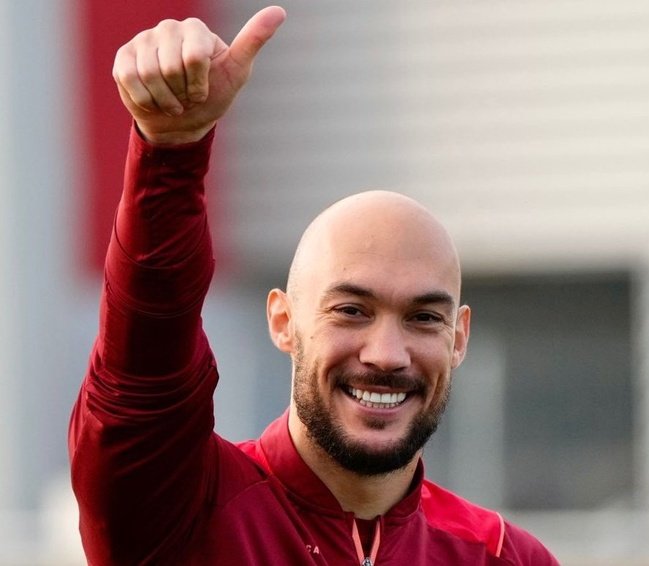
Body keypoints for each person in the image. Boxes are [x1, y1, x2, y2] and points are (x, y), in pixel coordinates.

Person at [68, 7, 559, 565]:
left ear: (459, 337)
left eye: (423, 317)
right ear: (284, 320)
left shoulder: (503, 557)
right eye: (351, 310)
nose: (386, 355)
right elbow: (145, 348)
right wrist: (172, 149)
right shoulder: (176, 508)